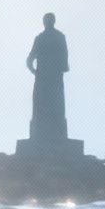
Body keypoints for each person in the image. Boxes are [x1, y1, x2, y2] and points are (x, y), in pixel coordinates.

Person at [26, 13, 69, 143]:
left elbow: (64, 56)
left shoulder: (58, 37)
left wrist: (35, 71)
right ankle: (41, 131)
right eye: (46, 20)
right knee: (42, 104)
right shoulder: (41, 38)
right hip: (44, 77)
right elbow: (30, 58)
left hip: (52, 77)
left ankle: (54, 131)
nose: (48, 22)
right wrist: (35, 71)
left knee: (55, 104)